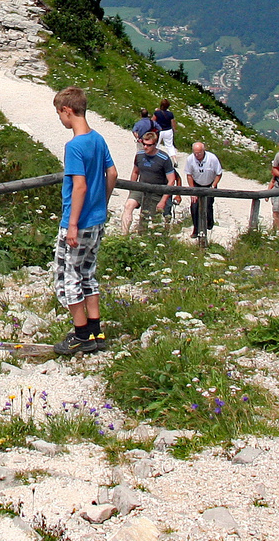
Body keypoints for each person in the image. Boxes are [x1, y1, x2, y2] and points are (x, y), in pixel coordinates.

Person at [53, 86, 116, 356]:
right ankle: (95, 330)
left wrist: (74, 224)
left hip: (77, 222)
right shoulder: (98, 139)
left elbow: (78, 186)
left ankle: (81, 336)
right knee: (88, 272)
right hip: (97, 219)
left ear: (68, 110)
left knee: (68, 275)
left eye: (59, 114)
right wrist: (101, 201)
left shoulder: (74, 146)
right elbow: (111, 173)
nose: (60, 120)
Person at [119, 127, 175, 235]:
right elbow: (135, 172)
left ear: (155, 144)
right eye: (144, 144)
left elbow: (171, 180)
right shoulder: (139, 155)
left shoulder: (164, 158)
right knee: (128, 205)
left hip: (157, 191)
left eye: (148, 145)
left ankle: (150, 237)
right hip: (140, 188)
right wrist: (131, 190)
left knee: (154, 219)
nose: (145, 147)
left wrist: (163, 200)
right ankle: (124, 234)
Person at [183, 141, 223, 246]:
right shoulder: (190, 159)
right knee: (194, 206)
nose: (197, 155)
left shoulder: (212, 158)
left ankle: (209, 224)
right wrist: (192, 191)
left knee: (208, 205)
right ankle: (196, 228)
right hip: (197, 184)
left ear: (203, 151)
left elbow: (219, 173)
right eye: (195, 153)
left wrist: (214, 186)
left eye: (199, 153)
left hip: (209, 184)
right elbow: (189, 174)